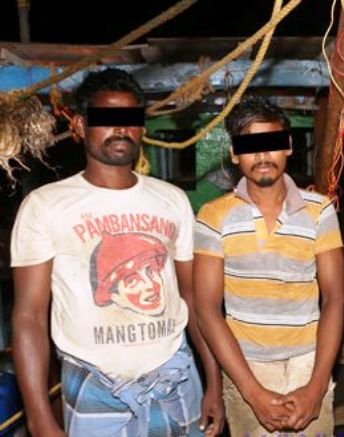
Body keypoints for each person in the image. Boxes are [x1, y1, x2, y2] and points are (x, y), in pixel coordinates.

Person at [10, 68, 224, 436]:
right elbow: (29, 316)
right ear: (80, 126)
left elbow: (193, 300)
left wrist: (214, 383)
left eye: (130, 119)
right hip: (94, 383)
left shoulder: (172, 200)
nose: (121, 129)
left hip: (175, 374)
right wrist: (39, 417)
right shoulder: (45, 205)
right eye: (107, 119)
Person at [193, 96, 344, 435]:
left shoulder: (319, 211)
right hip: (245, 366)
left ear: (288, 146)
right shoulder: (213, 216)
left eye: (271, 143)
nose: (262, 156)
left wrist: (317, 385)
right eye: (250, 146)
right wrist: (253, 393)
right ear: (235, 154)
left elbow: (335, 299)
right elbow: (207, 310)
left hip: (309, 362)